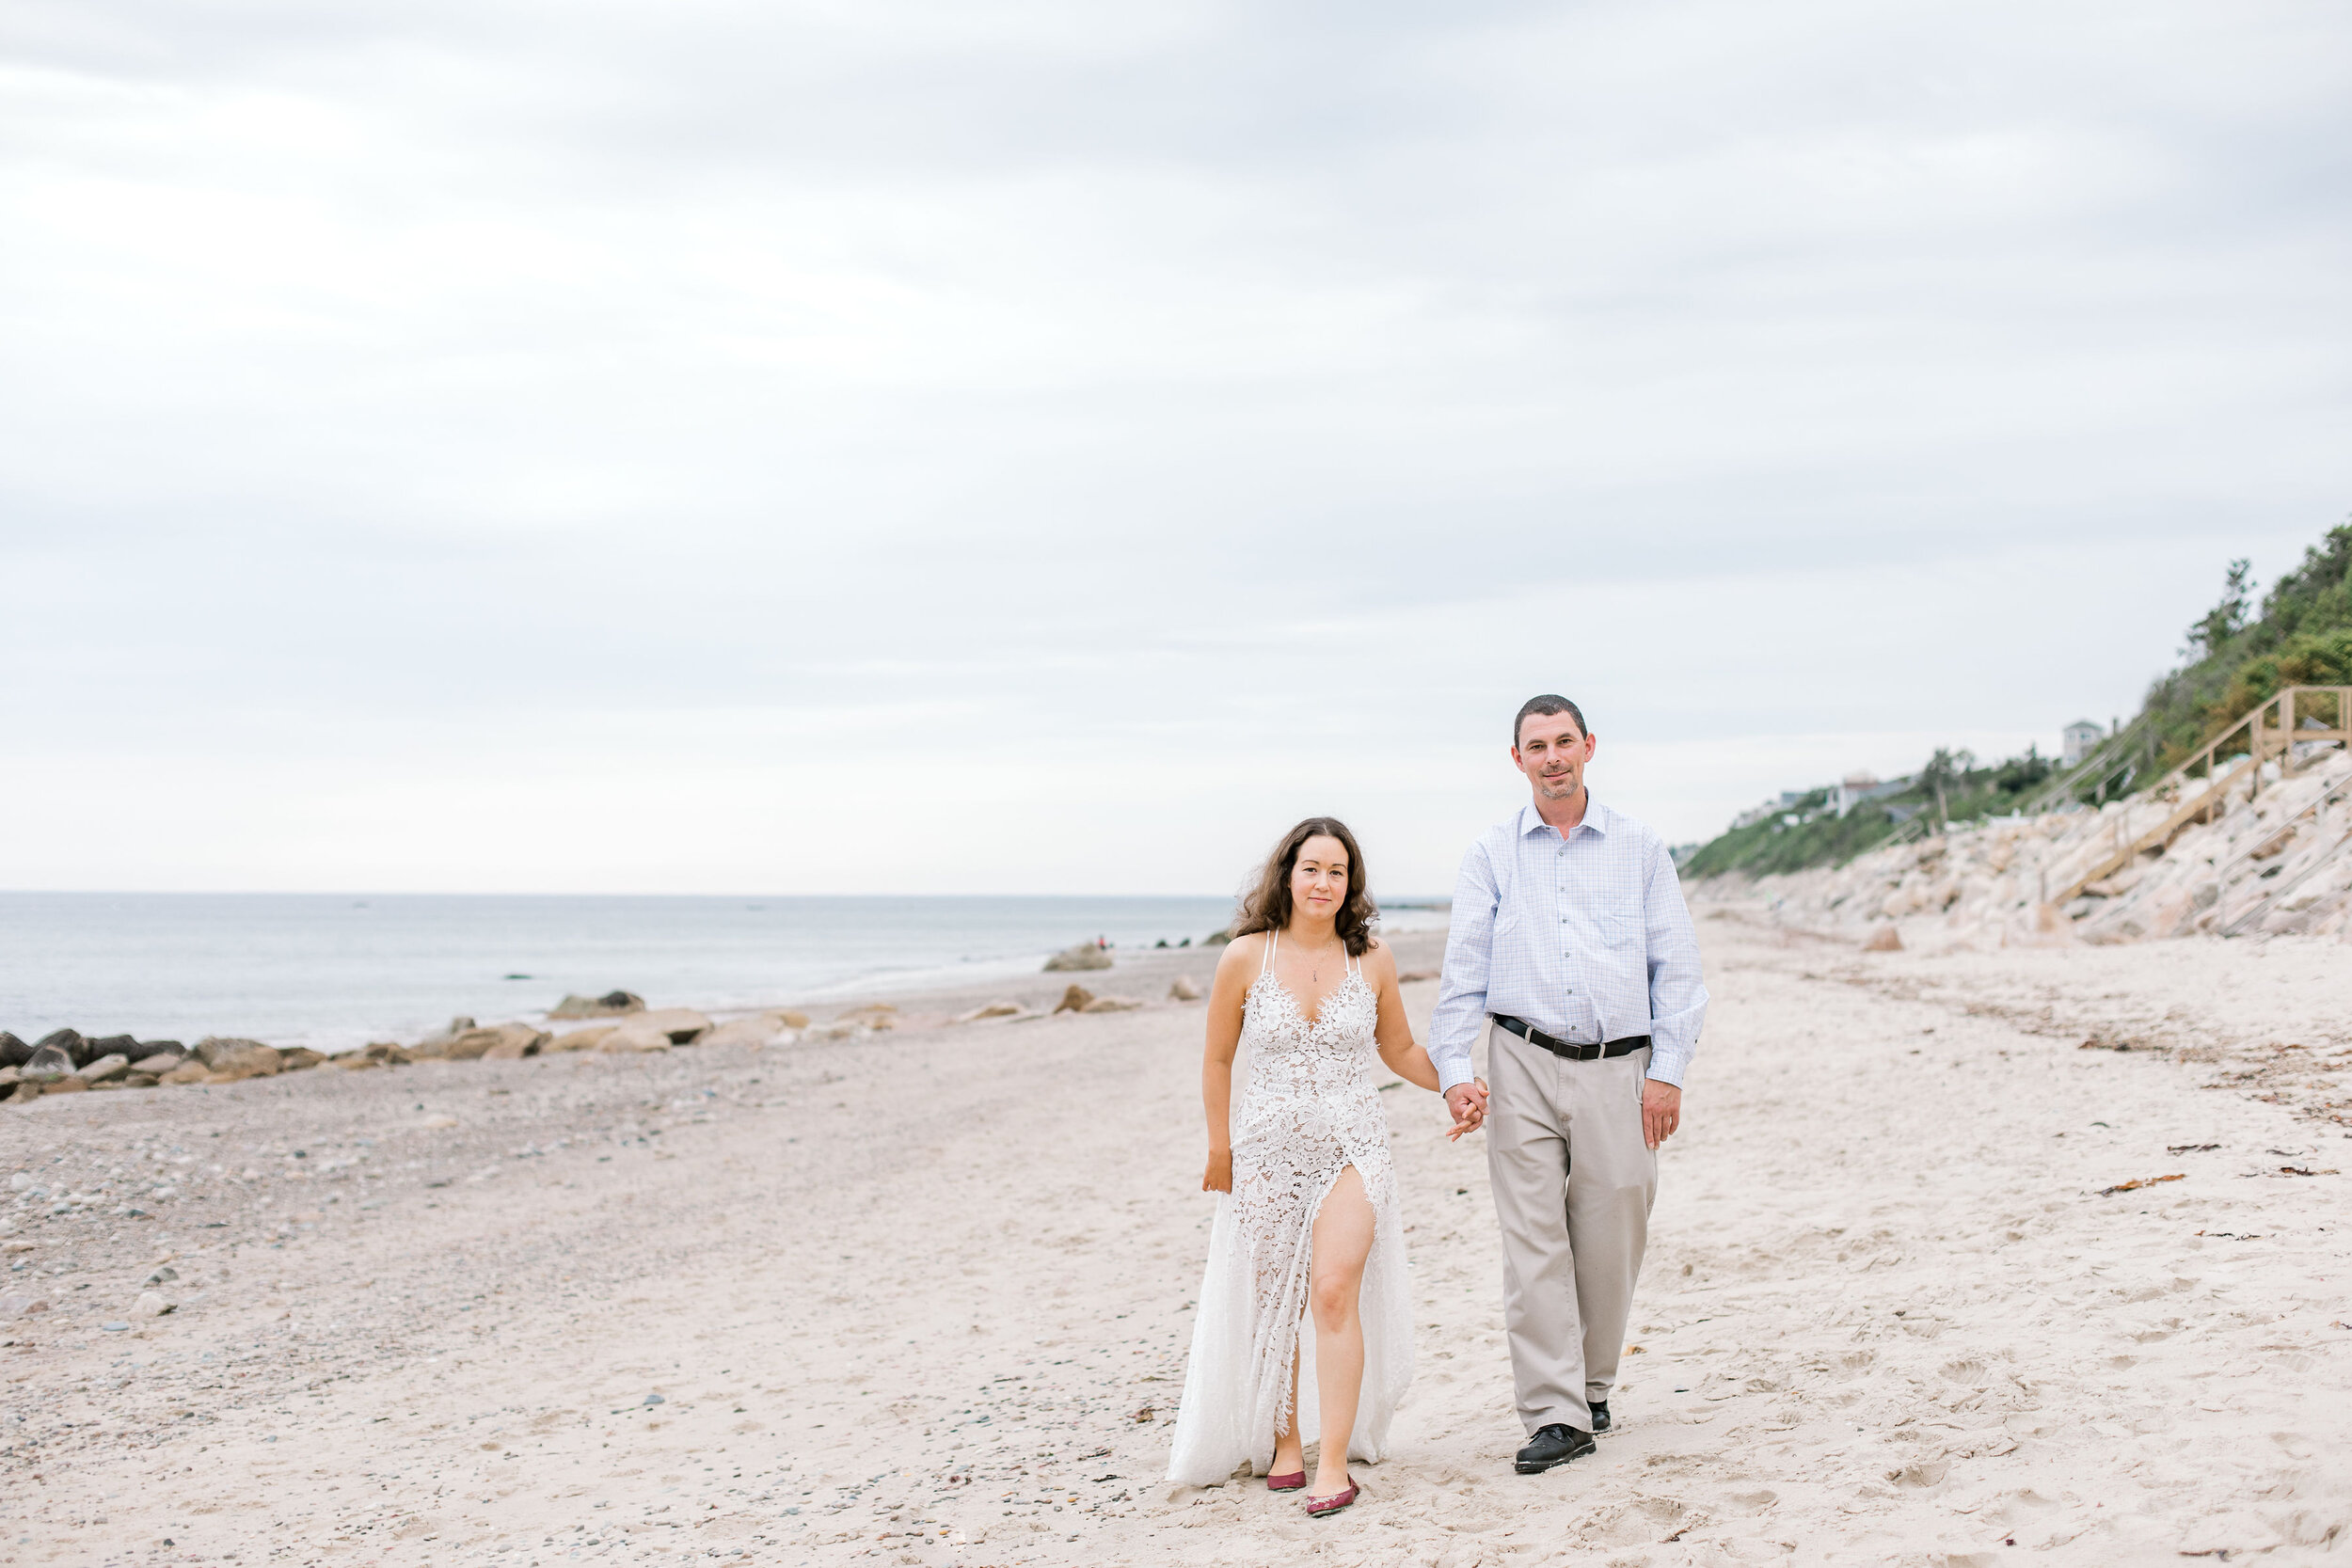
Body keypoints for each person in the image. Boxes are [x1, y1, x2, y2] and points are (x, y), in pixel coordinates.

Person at [1167, 816, 1478, 1514]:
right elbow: (1217, 1057)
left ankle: (1331, 1462)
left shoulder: (1373, 959)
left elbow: (1398, 1050)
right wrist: (1219, 1147)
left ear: (1351, 884)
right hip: (1266, 1147)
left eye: (1337, 872)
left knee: (1333, 1289)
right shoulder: (1245, 956)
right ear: (1287, 874)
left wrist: (1455, 1085)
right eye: (1312, 868)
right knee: (1275, 1299)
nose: (1323, 882)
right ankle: (1285, 1441)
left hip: (1353, 1144)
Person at [1431, 695, 1708, 1475]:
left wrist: (1668, 1073)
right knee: (1532, 1245)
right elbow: (1463, 975)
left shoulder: (1640, 848)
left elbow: (1676, 968)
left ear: (1588, 746)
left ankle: (1590, 1385)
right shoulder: (1490, 854)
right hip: (1520, 1060)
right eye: (1535, 745)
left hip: (1622, 1067)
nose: (1551, 756)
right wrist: (1456, 1070)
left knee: (1614, 1229)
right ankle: (1555, 1413)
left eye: (1563, 742)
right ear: (1515, 759)